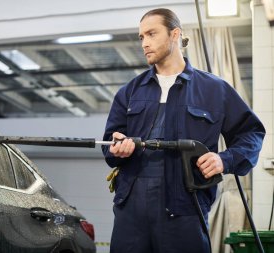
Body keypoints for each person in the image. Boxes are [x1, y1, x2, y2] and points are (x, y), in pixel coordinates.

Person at [101, 8, 265, 253]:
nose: (144, 43)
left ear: (174, 34)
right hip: (132, 211)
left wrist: (224, 160)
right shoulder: (130, 92)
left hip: (186, 209)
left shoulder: (214, 90)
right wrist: (118, 149)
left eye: (151, 34)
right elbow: (109, 146)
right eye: (141, 37)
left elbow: (251, 133)